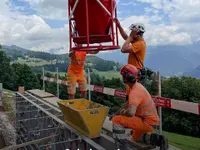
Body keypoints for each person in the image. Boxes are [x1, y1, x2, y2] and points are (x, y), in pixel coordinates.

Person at [110, 64, 168, 150]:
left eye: (123, 75)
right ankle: (158, 139)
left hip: (147, 122)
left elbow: (130, 113)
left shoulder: (135, 92)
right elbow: (126, 104)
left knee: (116, 120)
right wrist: (116, 113)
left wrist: (123, 113)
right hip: (151, 122)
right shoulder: (137, 86)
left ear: (126, 77)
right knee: (135, 138)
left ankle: (122, 148)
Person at [115, 19, 147, 96]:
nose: (131, 34)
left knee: (133, 95)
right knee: (129, 94)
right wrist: (119, 27)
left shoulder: (140, 44)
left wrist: (131, 36)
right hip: (133, 71)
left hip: (135, 72)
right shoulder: (136, 41)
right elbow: (126, 37)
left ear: (137, 34)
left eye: (133, 32)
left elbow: (123, 49)